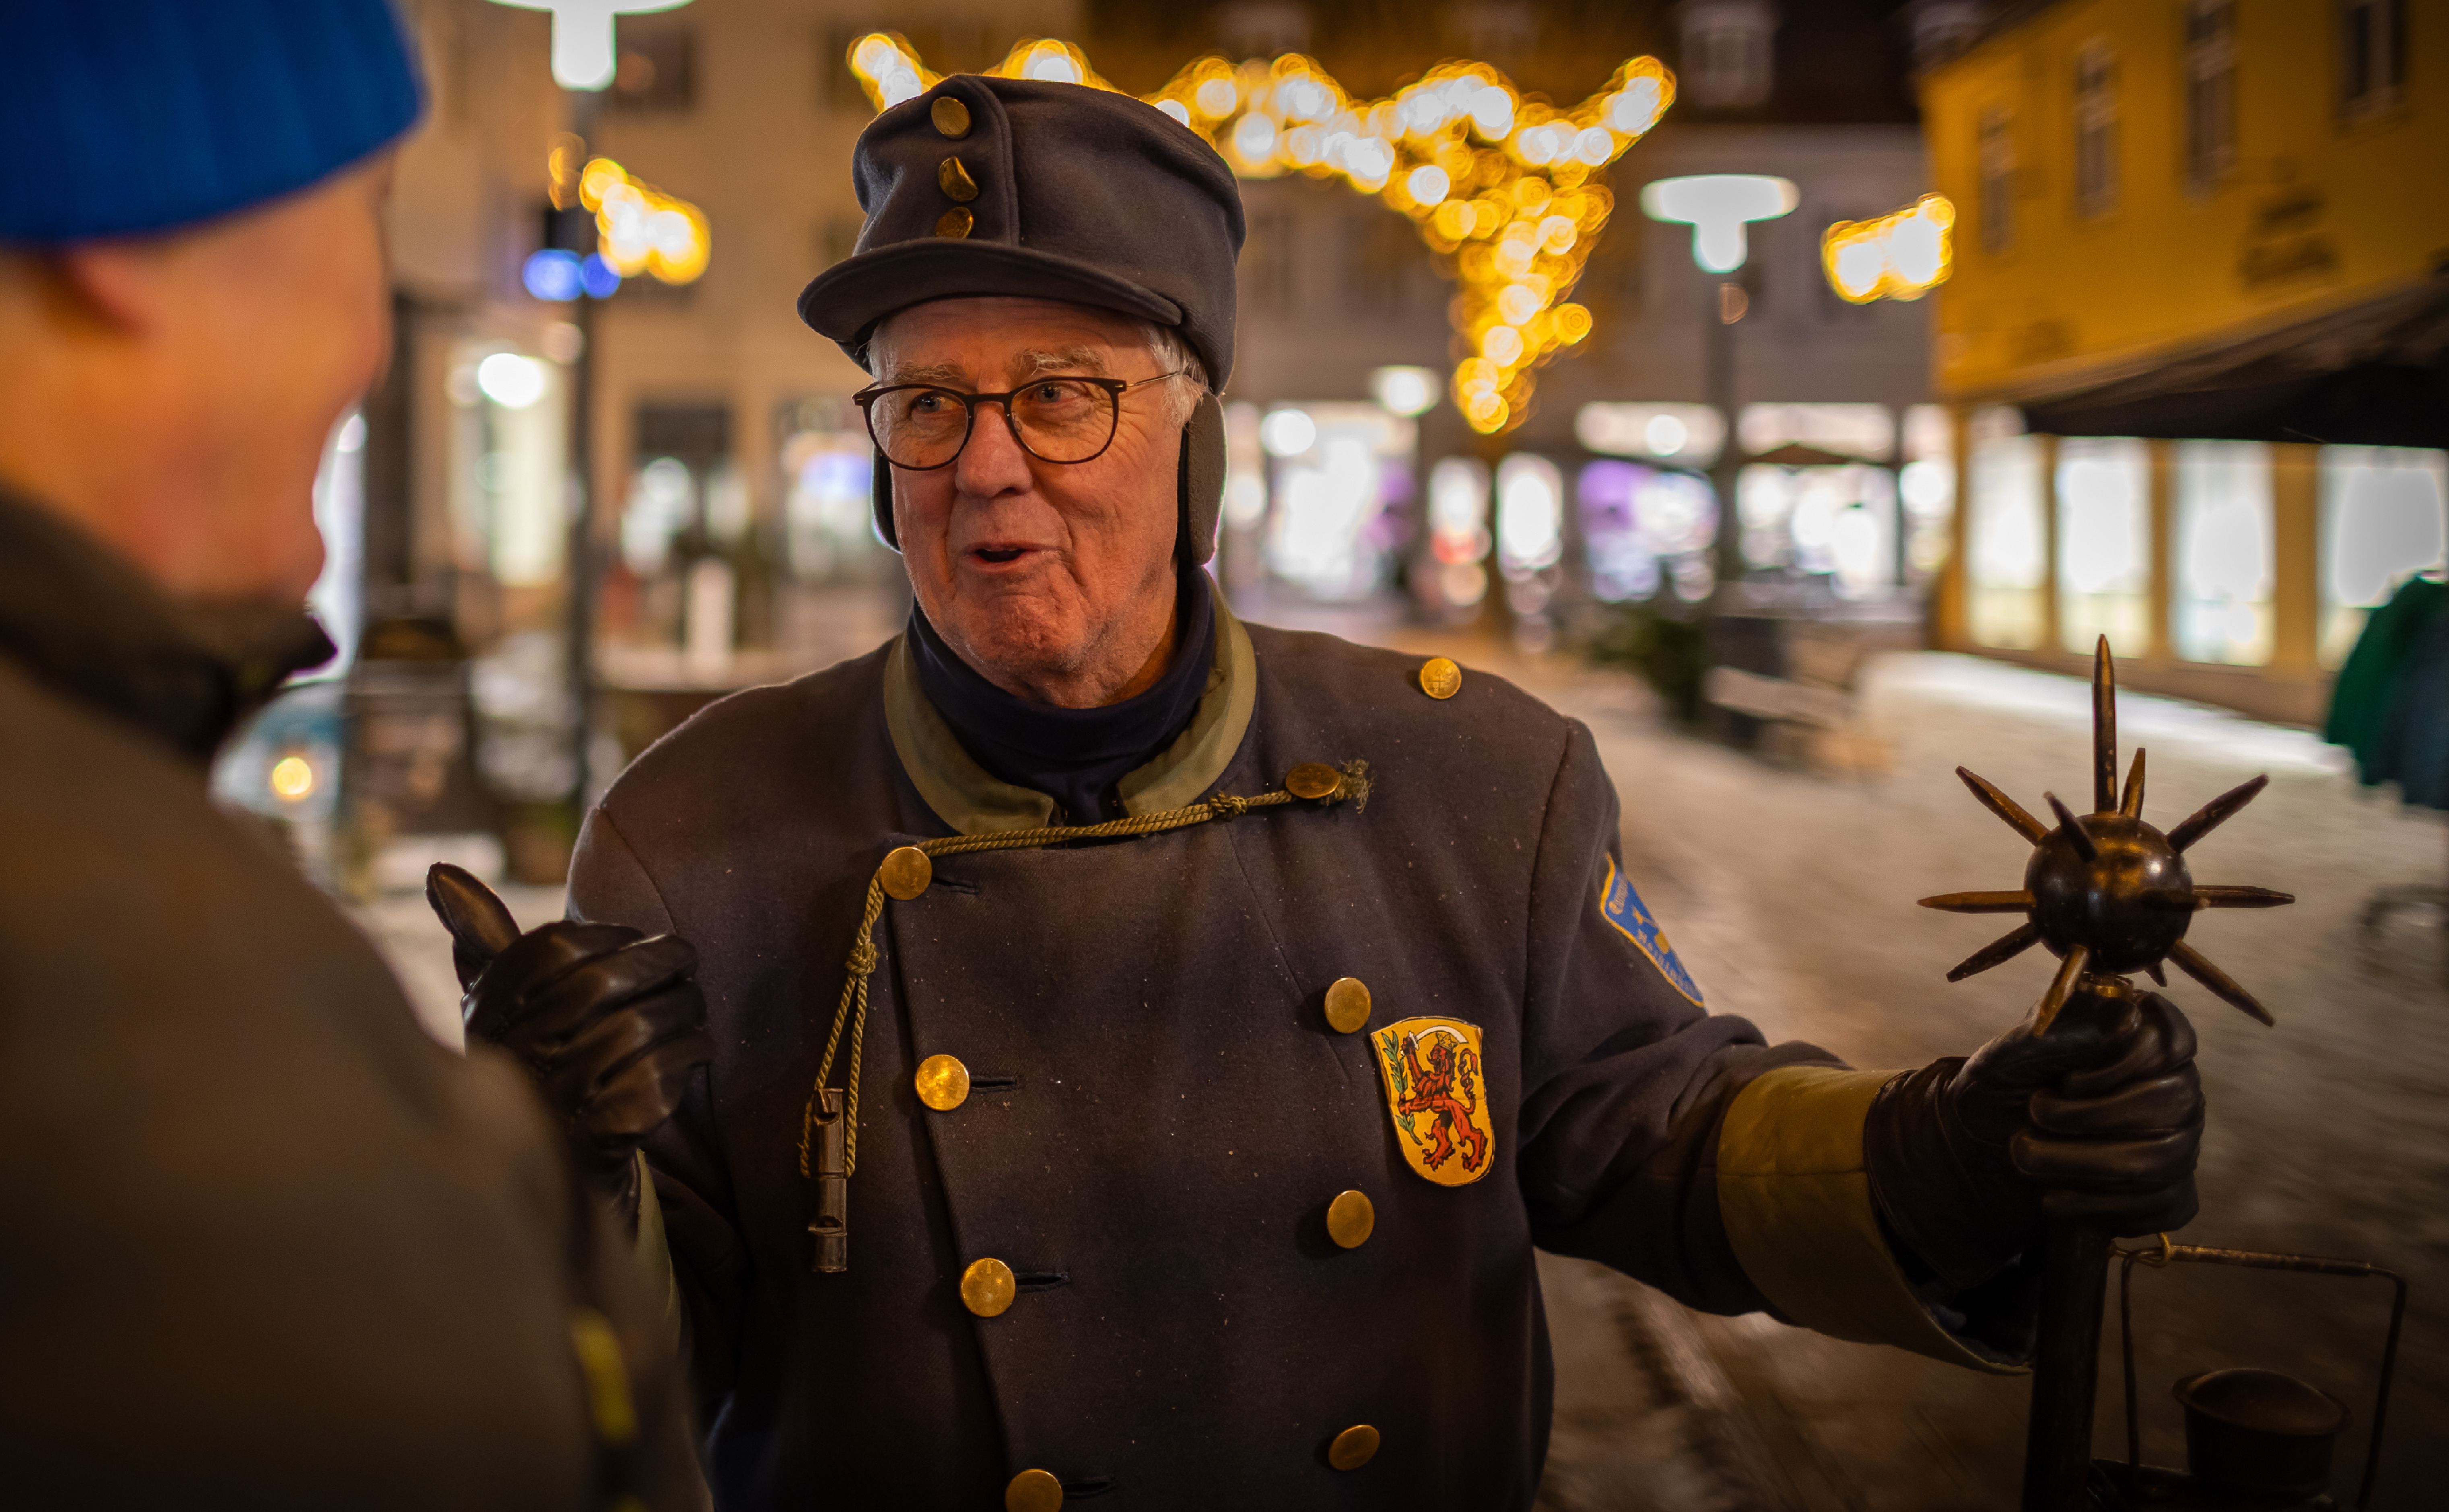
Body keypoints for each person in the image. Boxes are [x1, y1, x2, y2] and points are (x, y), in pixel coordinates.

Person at [532, 77, 2201, 1511]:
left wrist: (1930, 1156)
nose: (983, 462)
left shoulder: (1471, 778)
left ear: (1191, 445)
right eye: (925, 404)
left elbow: (1655, 1126)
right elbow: (610, 1389)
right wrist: (548, 1174)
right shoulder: (694, 841)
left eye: (1058, 393)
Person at [0, 2, 708, 1504]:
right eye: (365, 209)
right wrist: (506, 1219)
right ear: (124, 220)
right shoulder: (130, 1029)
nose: (365, 334)